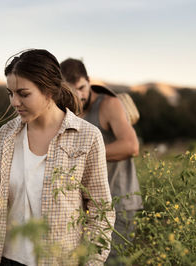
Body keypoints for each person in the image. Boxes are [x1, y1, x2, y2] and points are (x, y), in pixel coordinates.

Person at [0, 49, 115, 266]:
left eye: (23, 94)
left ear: (50, 91)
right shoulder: (7, 136)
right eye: (10, 93)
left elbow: (100, 211)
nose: (14, 102)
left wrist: (91, 262)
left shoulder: (87, 136)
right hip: (7, 260)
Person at [60, 58, 143, 264]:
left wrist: (83, 153)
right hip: (86, 207)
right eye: (72, 90)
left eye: (81, 87)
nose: (79, 95)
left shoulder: (108, 104)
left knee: (112, 262)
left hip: (119, 202)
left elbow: (131, 146)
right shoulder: (67, 111)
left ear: (89, 81)